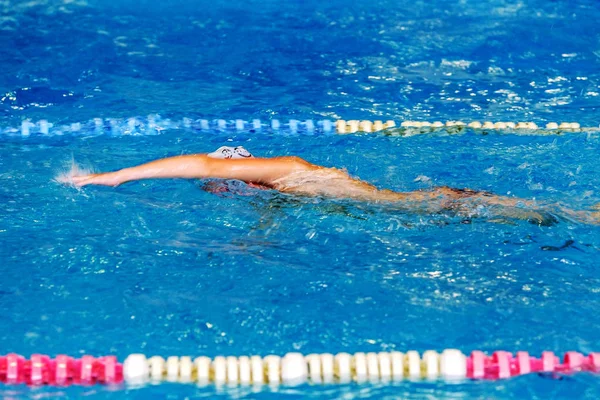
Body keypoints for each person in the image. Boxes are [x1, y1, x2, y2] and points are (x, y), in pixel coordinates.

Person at [68, 146, 597, 225]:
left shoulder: (275, 168)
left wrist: (112, 177)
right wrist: (253, 243)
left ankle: (582, 215)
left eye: (222, 184)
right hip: (385, 206)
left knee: (428, 207)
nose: (220, 189)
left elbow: (195, 164)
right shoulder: (273, 185)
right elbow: (268, 218)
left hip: (407, 205)